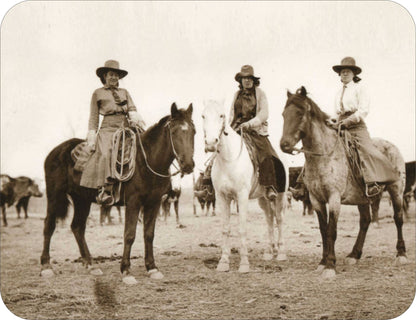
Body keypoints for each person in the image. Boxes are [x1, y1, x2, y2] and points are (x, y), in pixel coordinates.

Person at [328, 56, 399, 196]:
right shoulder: (337, 93)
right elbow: (336, 113)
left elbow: (363, 110)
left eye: (348, 71)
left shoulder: (360, 89)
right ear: (339, 75)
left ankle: (371, 182)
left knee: (366, 150)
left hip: (356, 125)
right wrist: (332, 121)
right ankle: (304, 184)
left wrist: (348, 121)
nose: (345, 73)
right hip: (340, 125)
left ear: (354, 74)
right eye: (342, 71)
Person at [80, 60, 146, 205]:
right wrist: (92, 134)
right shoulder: (98, 93)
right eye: (111, 74)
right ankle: (106, 189)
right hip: (108, 128)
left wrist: (136, 121)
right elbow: (94, 116)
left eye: (116, 75)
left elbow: (132, 109)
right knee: (106, 152)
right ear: (104, 76)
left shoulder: (125, 92)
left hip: (126, 125)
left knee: (143, 148)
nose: (114, 78)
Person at [229, 65, 286, 201]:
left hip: (255, 129)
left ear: (253, 80)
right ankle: (209, 184)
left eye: (249, 78)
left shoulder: (260, 93)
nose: (247, 81)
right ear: (240, 80)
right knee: (221, 149)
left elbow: (264, 113)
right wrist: (229, 129)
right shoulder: (236, 95)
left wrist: (250, 123)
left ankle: (269, 186)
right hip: (237, 129)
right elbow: (231, 113)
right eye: (244, 78)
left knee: (265, 153)